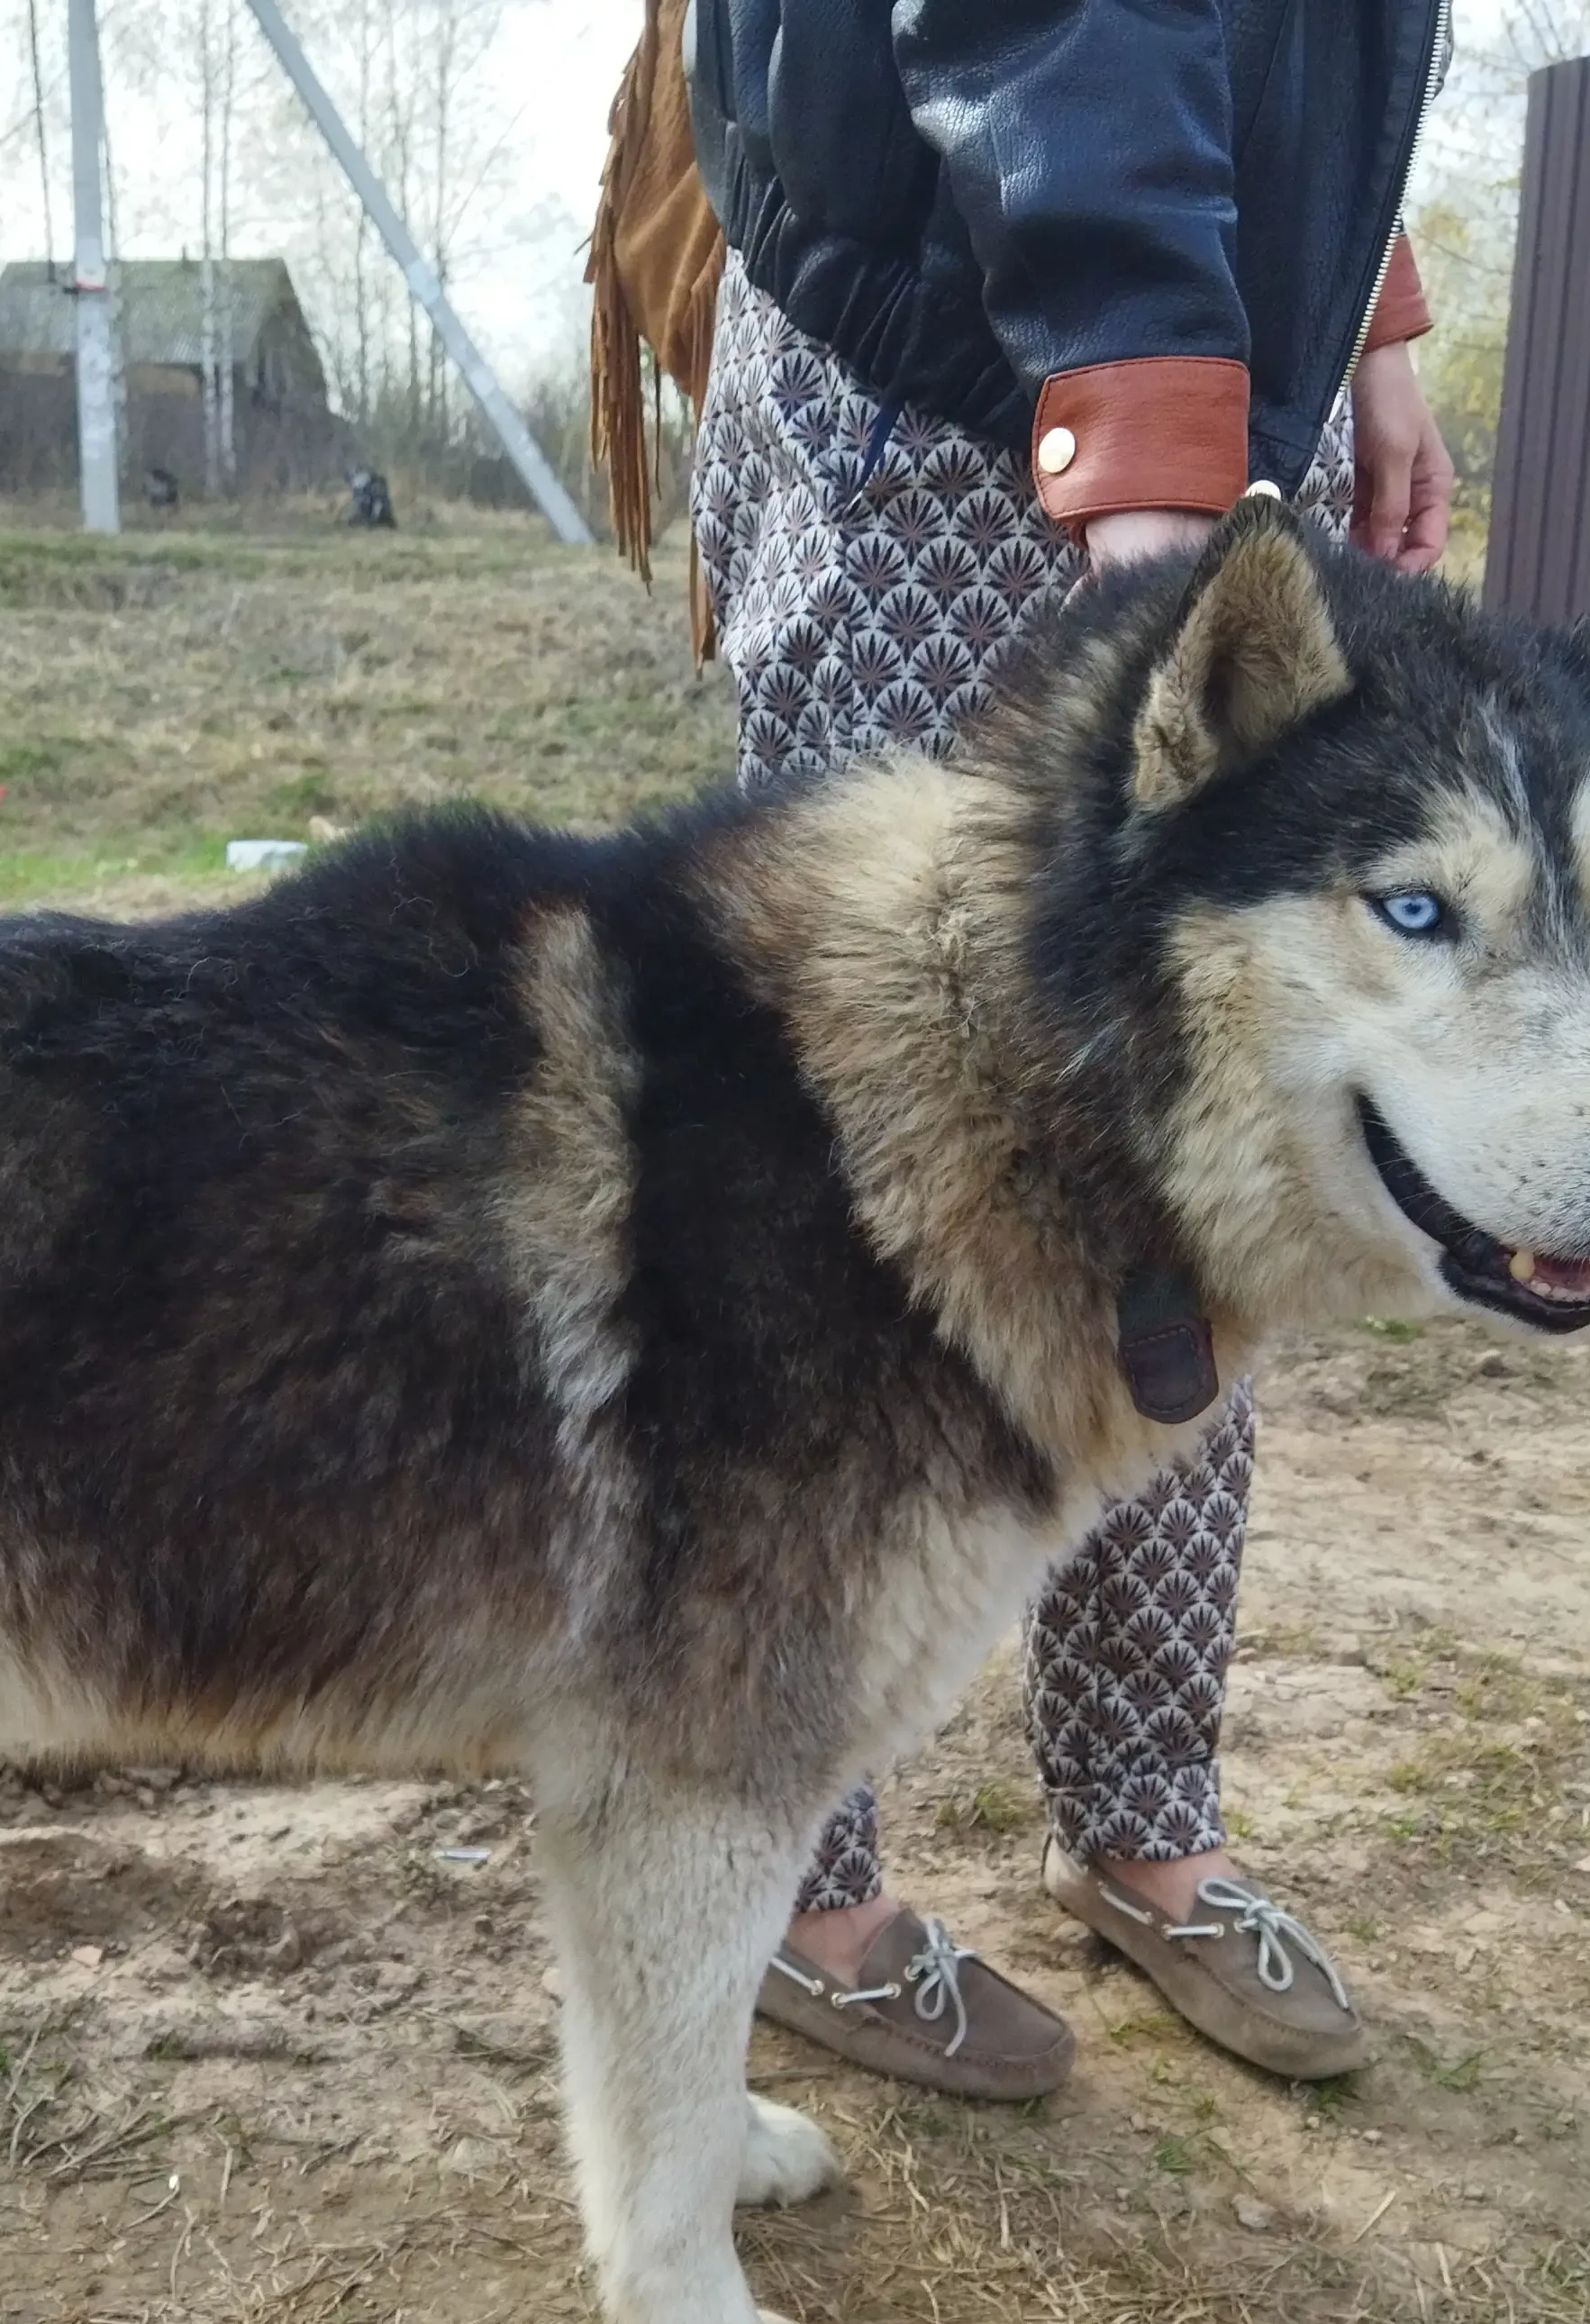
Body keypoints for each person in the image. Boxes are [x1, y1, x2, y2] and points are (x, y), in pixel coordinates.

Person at [592, 0, 1458, 2102]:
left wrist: (1369, 316)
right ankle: (796, 1875)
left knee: (1214, 1152)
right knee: (842, 1184)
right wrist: (1155, 451)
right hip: (951, 376)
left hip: (1211, 369)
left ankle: (1145, 1818)